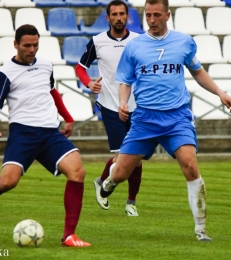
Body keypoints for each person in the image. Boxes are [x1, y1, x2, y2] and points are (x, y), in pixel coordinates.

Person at [100, 0, 231, 241]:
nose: (151, 20)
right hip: (144, 119)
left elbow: (197, 71)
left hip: (177, 117)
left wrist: (220, 92)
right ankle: (109, 181)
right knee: (121, 173)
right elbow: (125, 81)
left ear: (168, 15)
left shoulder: (184, 42)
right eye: (148, 15)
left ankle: (201, 230)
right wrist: (123, 102)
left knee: (190, 165)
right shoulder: (134, 47)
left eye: (156, 15)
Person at [0, 24, 90, 247]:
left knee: (77, 171)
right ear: (15, 44)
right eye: (27, 45)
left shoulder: (45, 65)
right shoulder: (5, 73)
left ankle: (69, 236)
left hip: (49, 133)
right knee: (7, 182)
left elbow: (52, 92)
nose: (32, 49)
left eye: (35, 45)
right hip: (23, 133)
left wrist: (68, 117)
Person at [75, 0, 142, 216]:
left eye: (122, 13)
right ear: (108, 18)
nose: (119, 17)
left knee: (136, 157)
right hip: (110, 105)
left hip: (136, 106)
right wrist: (89, 83)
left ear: (127, 16)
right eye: (115, 14)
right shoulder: (97, 41)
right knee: (124, 157)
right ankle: (105, 185)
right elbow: (80, 67)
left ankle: (129, 201)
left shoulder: (138, 41)